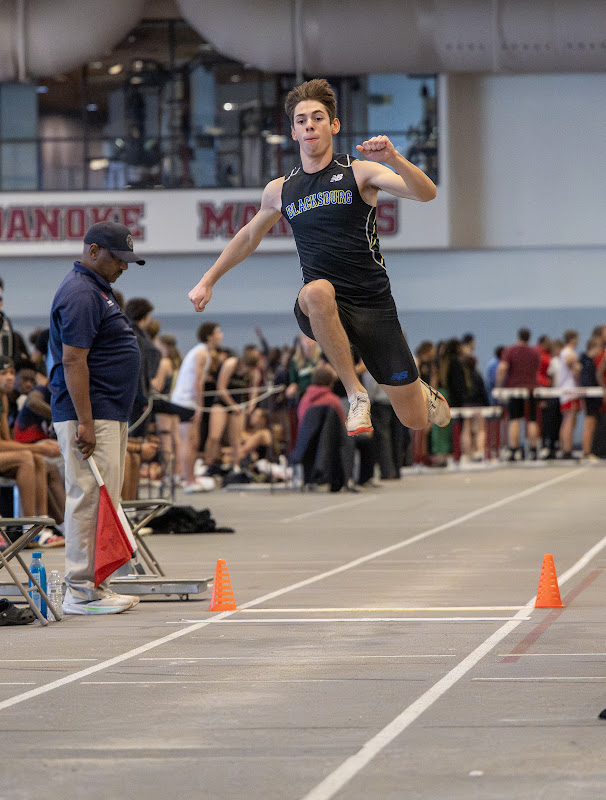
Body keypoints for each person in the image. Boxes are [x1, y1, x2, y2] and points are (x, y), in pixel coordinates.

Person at [188, 78, 450, 437]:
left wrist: (393, 159)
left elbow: (426, 193)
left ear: (333, 125)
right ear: (293, 132)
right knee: (316, 290)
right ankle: (356, 395)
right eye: (301, 120)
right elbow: (248, 236)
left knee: (415, 421)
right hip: (322, 306)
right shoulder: (280, 190)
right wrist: (208, 280)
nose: (309, 125)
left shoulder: (360, 172)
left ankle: (421, 392)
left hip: (372, 305)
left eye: (317, 118)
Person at [49, 220, 145, 615]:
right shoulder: (81, 293)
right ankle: (81, 591)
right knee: (88, 498)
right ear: (92, 251)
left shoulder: (97, 289)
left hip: (106, 411)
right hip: (90, 414)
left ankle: (96, 585)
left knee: (104, 499)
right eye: (117, 258)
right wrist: (85, 422)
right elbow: (73, 360)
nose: (123, 266)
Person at [170, 321, 223, 492]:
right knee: (189, 441)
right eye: (218, 332)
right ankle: (187, 480)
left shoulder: (203, 352)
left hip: (187, 401)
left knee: (193, 441)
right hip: (186, 401)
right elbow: (197, 382)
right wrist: (199, 406)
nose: (221, 335)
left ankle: (190, 477)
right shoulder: (201, 353)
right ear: (210, 336)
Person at [496, 327, 541, 461]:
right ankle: (533, 449)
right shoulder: (535, 352)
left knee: (515, 419)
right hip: (531, 388)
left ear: (518, 337)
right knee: (532, 420)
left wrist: (499, 385)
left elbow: (502, 368)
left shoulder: (510, 350)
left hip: (514, 389)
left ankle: (513, 449)